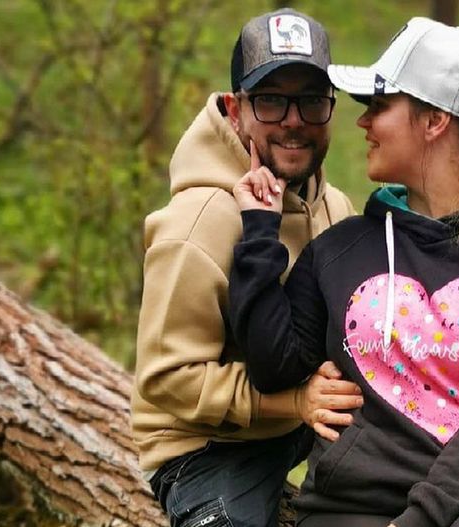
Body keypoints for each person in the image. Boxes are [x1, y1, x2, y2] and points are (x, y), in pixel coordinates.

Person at [229, 17, 459, 527]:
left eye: (379, 106)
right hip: (347, 505)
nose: (362, 122)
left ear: (434, 120)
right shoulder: (340, 252)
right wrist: (261, 230)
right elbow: (273, 367)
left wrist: (421, 518)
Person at [132, 8, 363, 527]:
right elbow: (167, 378)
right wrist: (294, 402)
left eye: (311, 100)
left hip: (301, 424)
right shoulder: (197, 225)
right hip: (206, 444)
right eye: (271, 100)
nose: (293, 120)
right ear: (236, 111)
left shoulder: (336, 208)